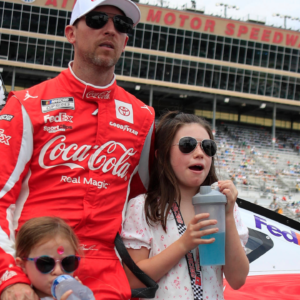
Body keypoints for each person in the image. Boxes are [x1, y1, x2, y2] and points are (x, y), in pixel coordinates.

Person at [0, 1, 155, 299]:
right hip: (35, 275)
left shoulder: (143, 117)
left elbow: (148, 201)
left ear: (126, 40)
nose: (110, 28)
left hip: (108, 283)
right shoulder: (26, 105)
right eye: (97, 20)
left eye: (121, 25)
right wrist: (10, 277)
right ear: (71, 33)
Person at [121, 112, 249, 300]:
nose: (199, 153)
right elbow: (132, 281)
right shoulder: (142, 206)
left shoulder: (223, 205)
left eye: (208, 147)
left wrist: (228, 215)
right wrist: (184, 244)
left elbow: (237, 279)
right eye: (187, 145)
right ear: (162, 155)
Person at [15, 217, 82, 300]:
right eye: (46, 263)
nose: (58, 271)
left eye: (67, 263)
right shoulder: (16, 296)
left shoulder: (77, 295)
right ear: (22, 265)